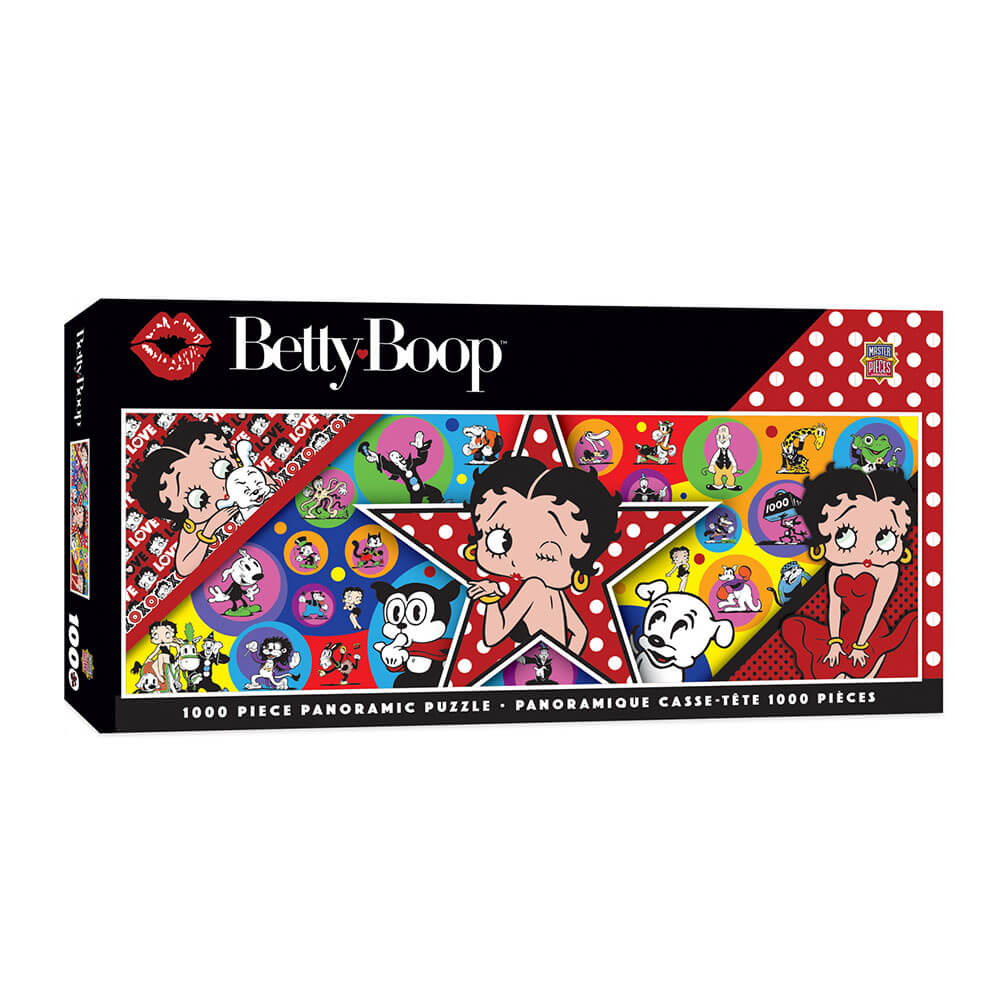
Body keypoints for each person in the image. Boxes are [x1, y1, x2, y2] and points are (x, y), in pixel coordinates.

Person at [780, 464, 918, 679]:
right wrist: (835, 642)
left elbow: (876, 609)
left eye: (885, 537)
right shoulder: (837, 568)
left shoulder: (888, 570)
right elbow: (834, 606)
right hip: (843, 629)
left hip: (871, 631)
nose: (868, 551)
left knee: (855, 669)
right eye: (844, 535)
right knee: (794, 628)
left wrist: (860, 645)